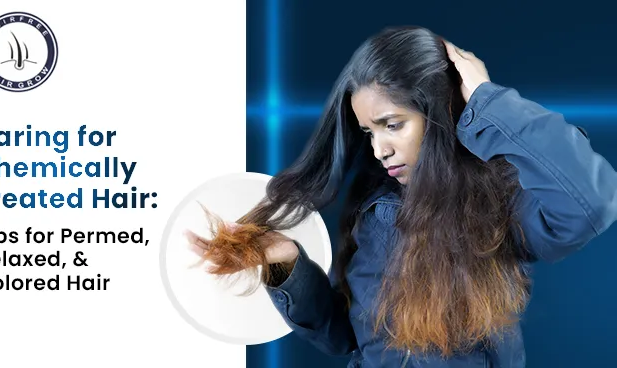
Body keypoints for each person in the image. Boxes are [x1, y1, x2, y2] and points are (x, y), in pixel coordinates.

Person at [186, 26, 617, 368]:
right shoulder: (374, 209)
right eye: (369, 131)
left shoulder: (498, 199)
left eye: (393, 124)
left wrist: (489, 104)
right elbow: (346, 340)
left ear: (442, 110)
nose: (379, 149)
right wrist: (286, 264)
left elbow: (592, 201)